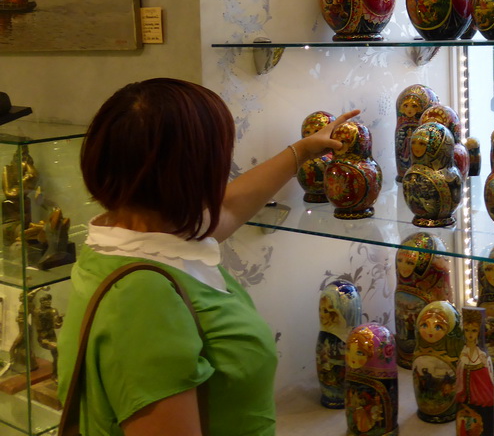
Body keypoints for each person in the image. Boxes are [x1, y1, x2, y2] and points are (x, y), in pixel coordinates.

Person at [56, 78, 357, 436]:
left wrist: (301, 151)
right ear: (193, 170)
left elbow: (228, 207)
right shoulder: (143, 299)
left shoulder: (123, 241)